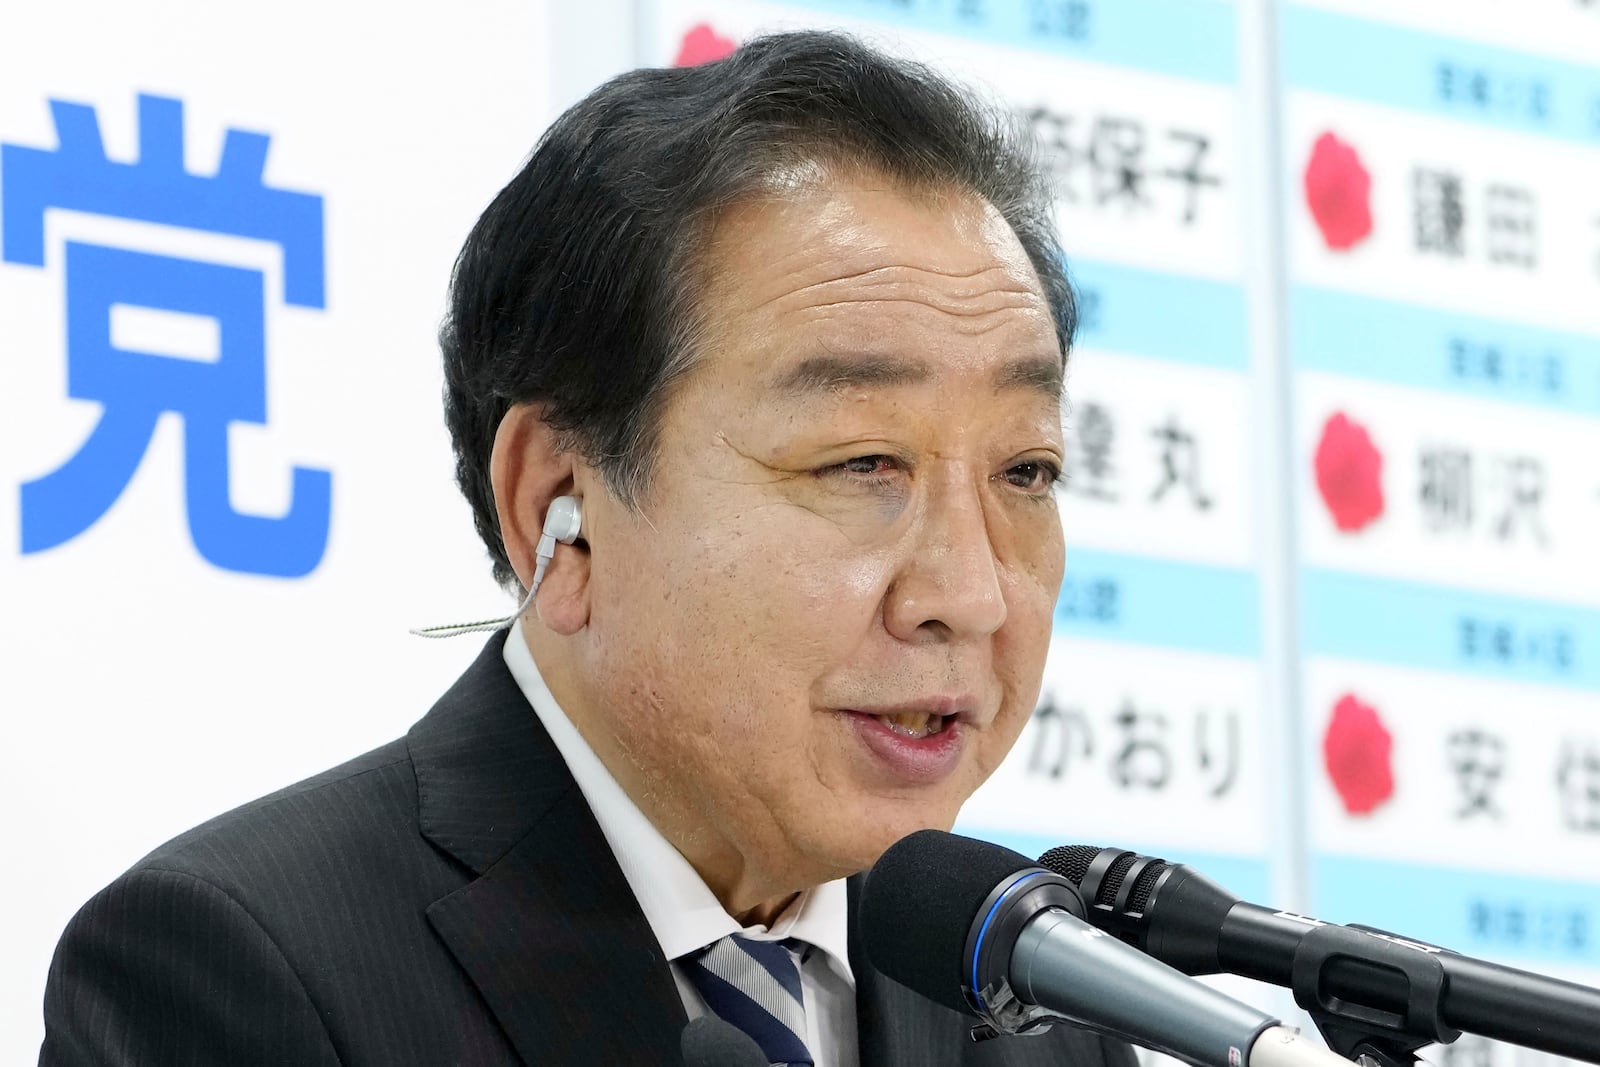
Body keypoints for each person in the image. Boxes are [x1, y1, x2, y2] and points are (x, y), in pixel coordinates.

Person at [39, 31, 1137, 1067]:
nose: (971, 592)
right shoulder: (241, 966)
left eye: (1024, 471)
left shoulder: (1041, 1006)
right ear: (560, 511)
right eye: (860, 464)